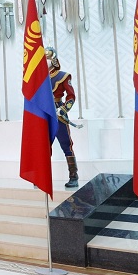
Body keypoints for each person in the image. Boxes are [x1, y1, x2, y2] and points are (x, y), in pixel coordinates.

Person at [45, 47, 79, 188]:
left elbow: (71, 96)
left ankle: (73, 175)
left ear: (53, 59)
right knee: (43, 146)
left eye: (48, 58)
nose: (45, 61)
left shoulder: (63, 76)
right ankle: (43, 176)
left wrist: (63, 109)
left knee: (66, 144)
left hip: (58, 113)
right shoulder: (39, 78)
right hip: (44, 114)